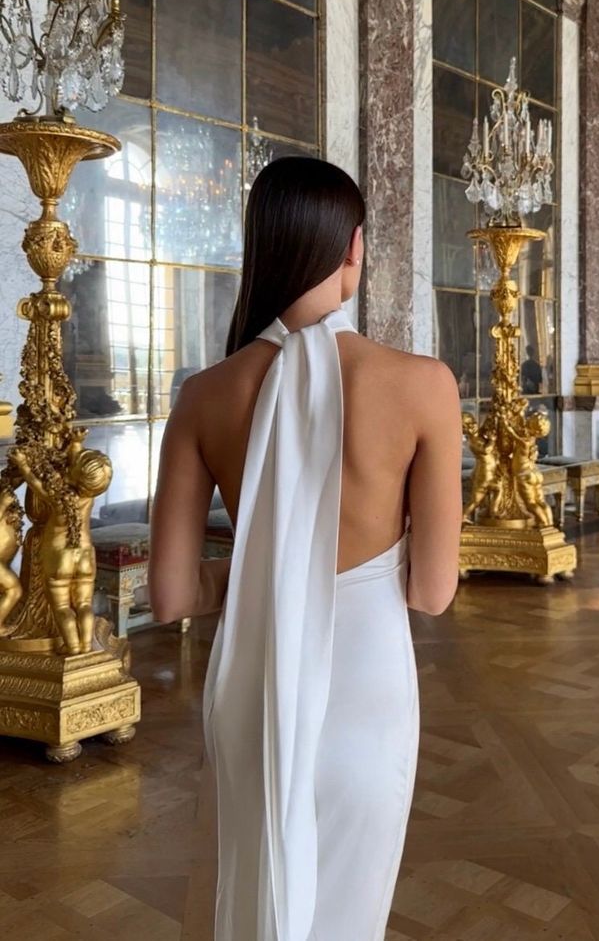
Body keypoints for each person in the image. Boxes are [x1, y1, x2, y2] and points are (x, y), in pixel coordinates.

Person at [148, 156, 463, 941]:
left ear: (264, 249)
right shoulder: (423, 384)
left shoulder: (203, 395)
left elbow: (172, 596)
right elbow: (431, 591)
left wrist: (268, 571)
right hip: (366, 694)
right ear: (353, 248)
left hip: (252, 695)